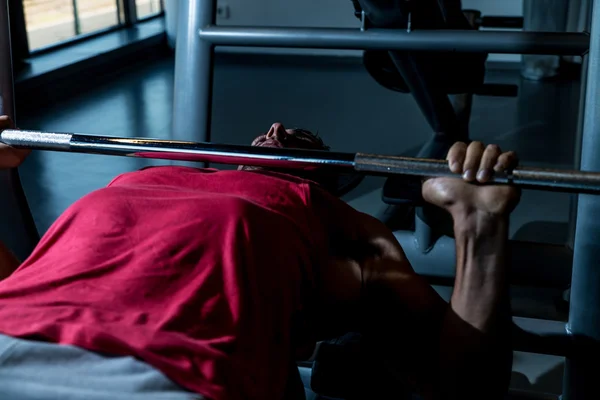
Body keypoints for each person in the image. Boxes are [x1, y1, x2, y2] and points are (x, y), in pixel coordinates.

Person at [0, 115, 518, 400]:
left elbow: (461, 385)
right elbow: (29, 284)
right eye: (269, 133)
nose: (274, 129)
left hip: (155, 375)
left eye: (300, 138)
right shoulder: (137, 177)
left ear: (323, 176)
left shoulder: (334, 223)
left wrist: (479, 227)